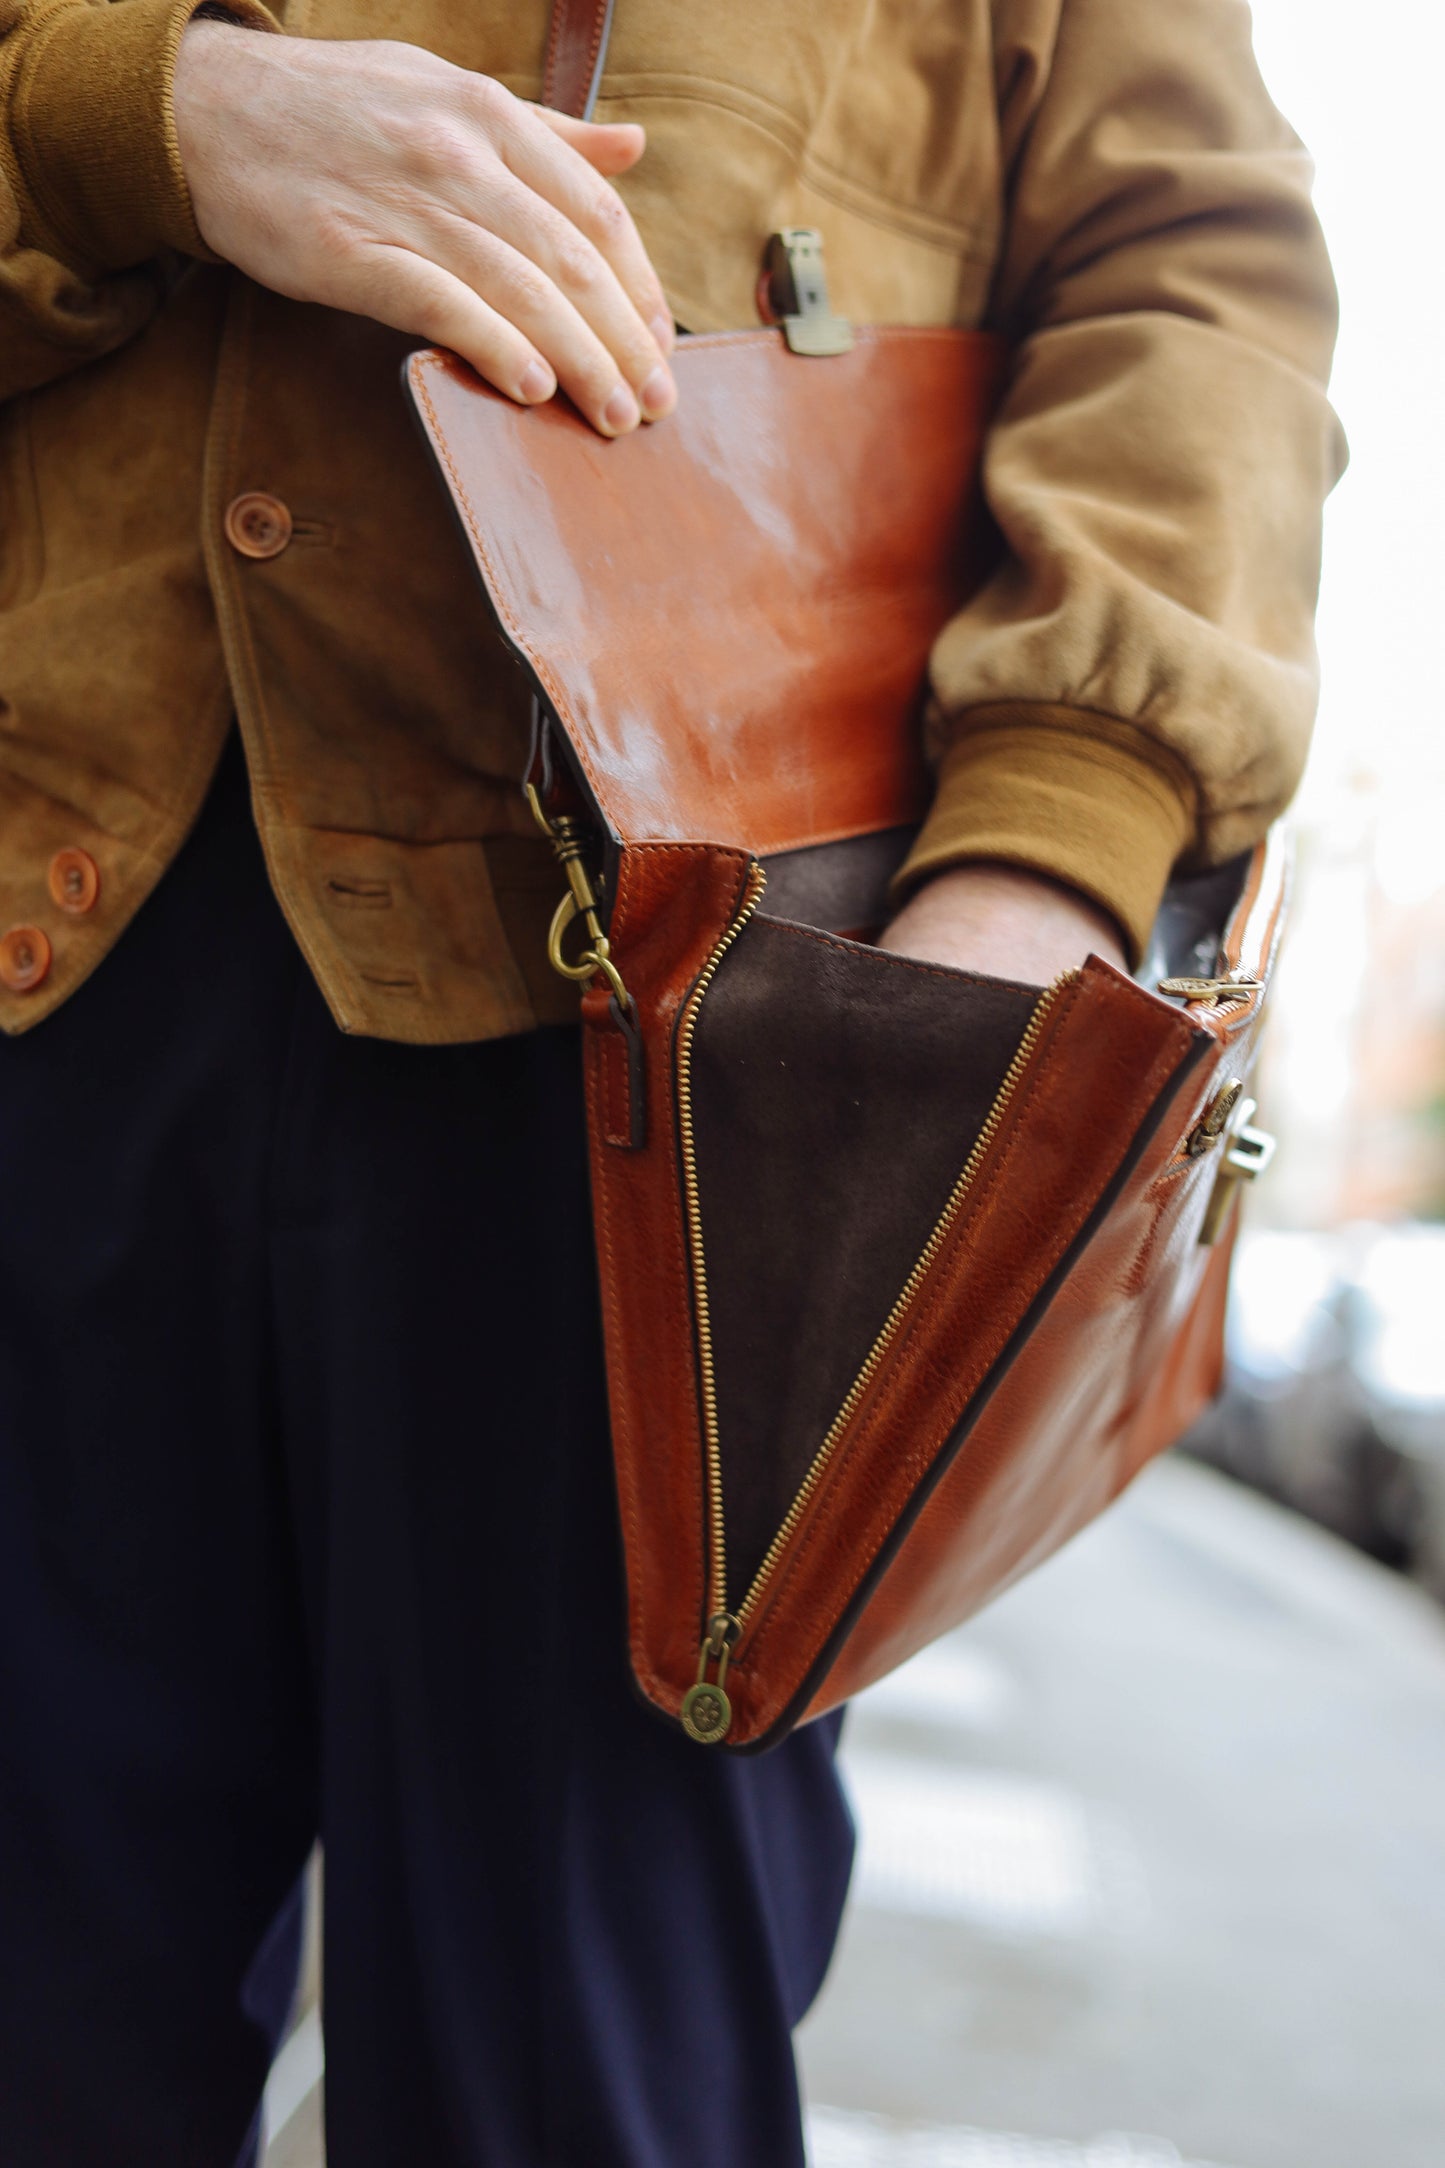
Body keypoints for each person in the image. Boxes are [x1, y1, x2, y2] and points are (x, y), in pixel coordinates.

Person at [0, 1, 1341, 2161]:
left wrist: (1048, 849)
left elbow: (1198, 275)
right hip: (49, 974)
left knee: (574, 2088)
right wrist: (134, 119)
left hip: (673, 1055)